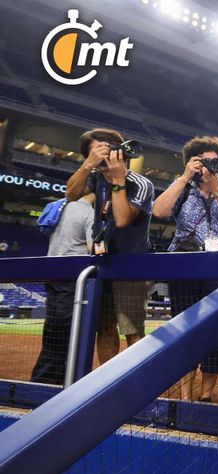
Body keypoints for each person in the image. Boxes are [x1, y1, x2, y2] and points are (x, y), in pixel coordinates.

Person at [152, 135, 218, 402]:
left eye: (215, 162)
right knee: (183, 329)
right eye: (203, 161)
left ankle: (206, 394)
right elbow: (159, 211)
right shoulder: (184, 188)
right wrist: (184, 176)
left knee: (216, 331)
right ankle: (186, 395)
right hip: (186, 266)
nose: (210, 166)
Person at [65, 128, 154, 364]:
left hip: (132, 266)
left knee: (132, 331)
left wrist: (117, 181)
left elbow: (123, 219)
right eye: (98, 150)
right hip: (102, 263)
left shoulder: (141, 184)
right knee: (104, 328)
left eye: (109, 148)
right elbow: (70, 195)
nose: (104, 154)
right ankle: (105, 382)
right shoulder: (94, 177)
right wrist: (86, 166)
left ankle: (135, 383)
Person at [30, 194, 94, 385]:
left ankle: (48, 379)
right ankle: (50, 381)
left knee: (52, 330)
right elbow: (94, 249)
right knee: (68, 333)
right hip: (73, 279)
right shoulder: (89, 213)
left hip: (52, 275)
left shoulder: (59, 206)